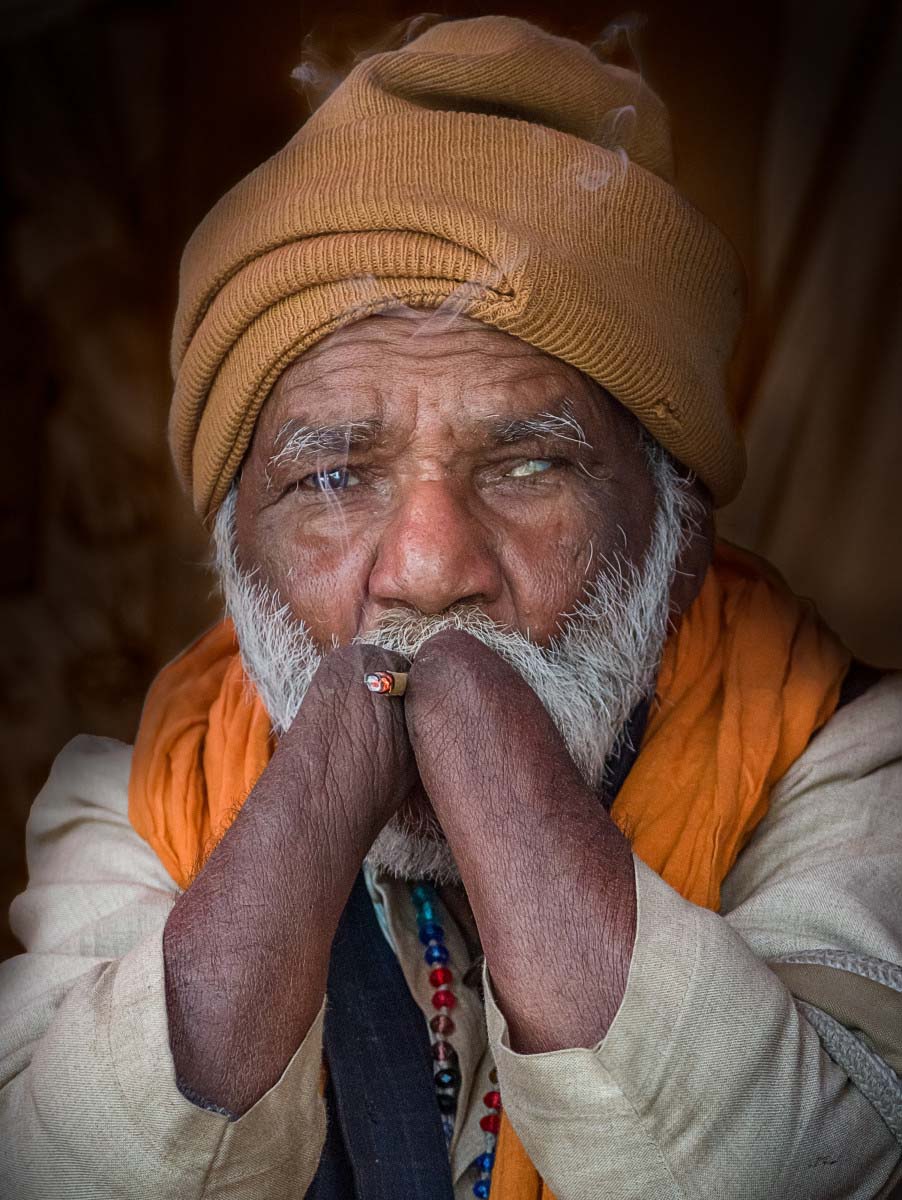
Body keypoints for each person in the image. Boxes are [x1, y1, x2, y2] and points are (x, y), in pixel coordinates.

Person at [1, 15, 900, 1200]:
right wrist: (323, 777)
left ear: (677, 539)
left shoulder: (845, 765)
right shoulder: (131, 801)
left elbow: (812, 1166)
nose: (427, 567)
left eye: (529, 464)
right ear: (237, 558)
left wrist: (489, 751)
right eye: (330, 477)